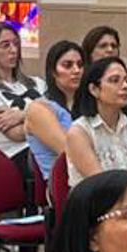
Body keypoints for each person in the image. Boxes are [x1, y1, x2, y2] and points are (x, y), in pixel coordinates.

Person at [66, 53, 127, 188]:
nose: (125, 86)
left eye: (126, 81)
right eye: (114, 80)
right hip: (96, 198)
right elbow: (102, 185)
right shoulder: (79, 132)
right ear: (94, 89)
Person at [0, 21, 39, 196]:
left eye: (16, 44)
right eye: (5, 45)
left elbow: (61, 118)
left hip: (44, 148)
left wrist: (23, 115)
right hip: (15, 156)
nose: (13, 50)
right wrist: (46, 121)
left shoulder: (37, 83)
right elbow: (16, 134)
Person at [24, 40, 86, 189]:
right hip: (63, 187)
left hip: (91, 178)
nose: (76, 70)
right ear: (53, 71)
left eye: (80, 65)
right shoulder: (39, 108)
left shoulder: (88, 105)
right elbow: (70, 152)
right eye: (67, 65)